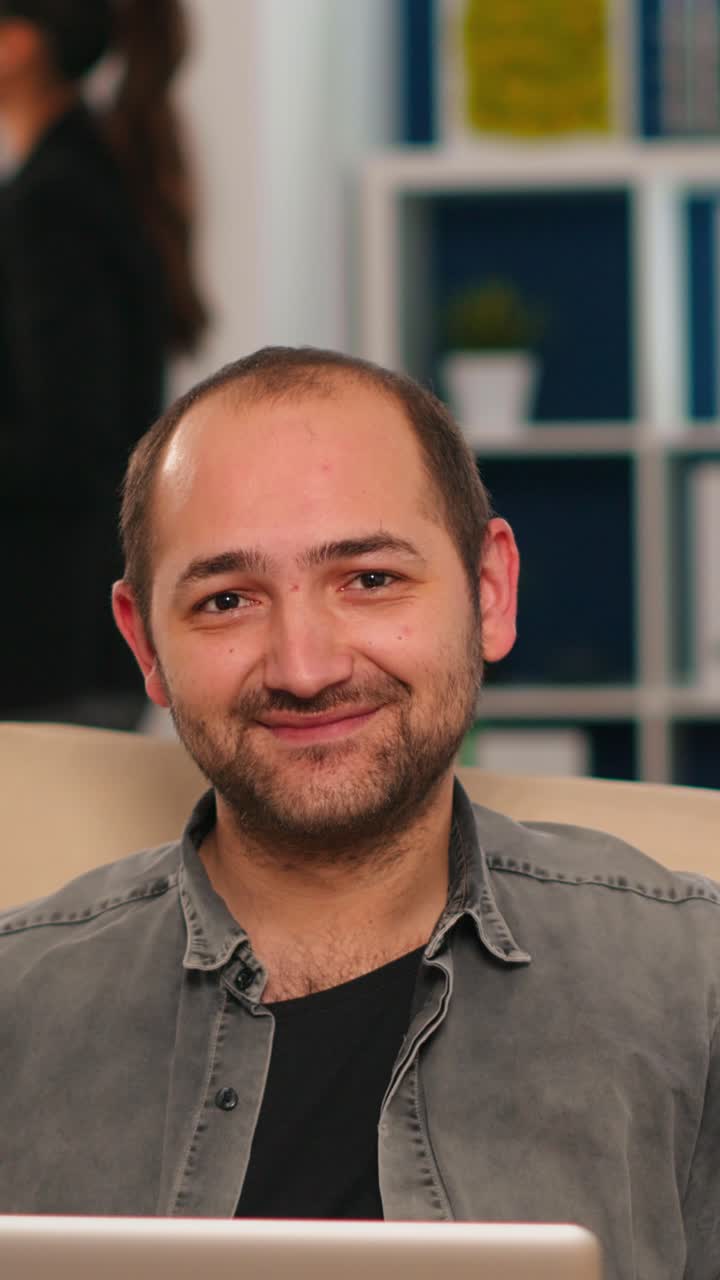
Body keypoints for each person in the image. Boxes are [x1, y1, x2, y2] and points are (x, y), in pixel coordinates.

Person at [1, 347, 719, 1280]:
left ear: (489, 592)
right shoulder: (16, 1013)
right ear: (145, 643)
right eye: (227, 599)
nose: (306, 667)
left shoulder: (694, 990)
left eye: (371, 579)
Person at [0, 0, 206, 720]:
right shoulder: (83, 176)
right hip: (69, 633)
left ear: (19, 44)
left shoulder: (54, 199)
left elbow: (67, 439)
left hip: (46, 639)